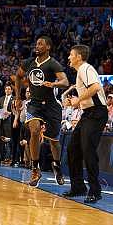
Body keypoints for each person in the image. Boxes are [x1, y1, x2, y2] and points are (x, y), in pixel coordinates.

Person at [15, 36, 69, 187]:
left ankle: (57, 165)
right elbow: (18, 77)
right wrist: (18, 97)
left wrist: (54, 83)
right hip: (34, 104)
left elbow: (65, 81)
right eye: (36, 43)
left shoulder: (53, 64)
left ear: (48, 47)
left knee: (54, 141)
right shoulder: (29, 63)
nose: (37, 46)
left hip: (51, 105)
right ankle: (35, 169)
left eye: (40, 44)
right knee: (34, 130)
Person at [63, 45, 108, 203]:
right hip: (88, 113)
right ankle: (78, 187)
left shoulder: (85, 68)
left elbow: (95, 87)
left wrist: (78, 99)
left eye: (71, 54)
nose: (68, 57)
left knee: (88, 150)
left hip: (97, 113)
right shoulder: (80, 72)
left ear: (79, 57)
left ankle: (95, 190)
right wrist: (75, 102)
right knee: (72, 148)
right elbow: (88, 94)